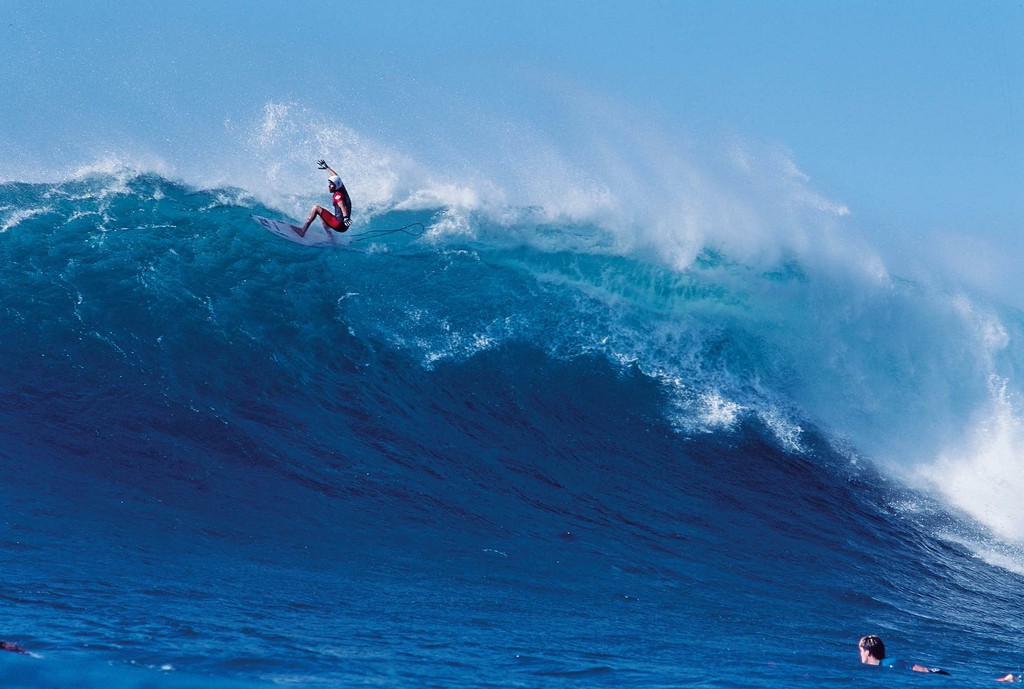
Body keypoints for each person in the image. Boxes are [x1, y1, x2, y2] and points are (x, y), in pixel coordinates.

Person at [299, 159, 352, 238]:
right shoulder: (341, 187)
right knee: (323, 215)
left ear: (335, 186)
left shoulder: (338, 196)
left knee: (316, 208)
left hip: (339, 224)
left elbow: (343, 207)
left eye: (331, 184)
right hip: (344, 225)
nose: (329, 186)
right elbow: (336, 177)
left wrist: (346, 218)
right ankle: (331, 237)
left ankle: (302, 231)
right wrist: (327, 167)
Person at [858, 635, 949, 675]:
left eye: (861, 650)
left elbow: (923, 670)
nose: (860, 653)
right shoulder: (879, 667)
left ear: (867, 652)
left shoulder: (890, 663)